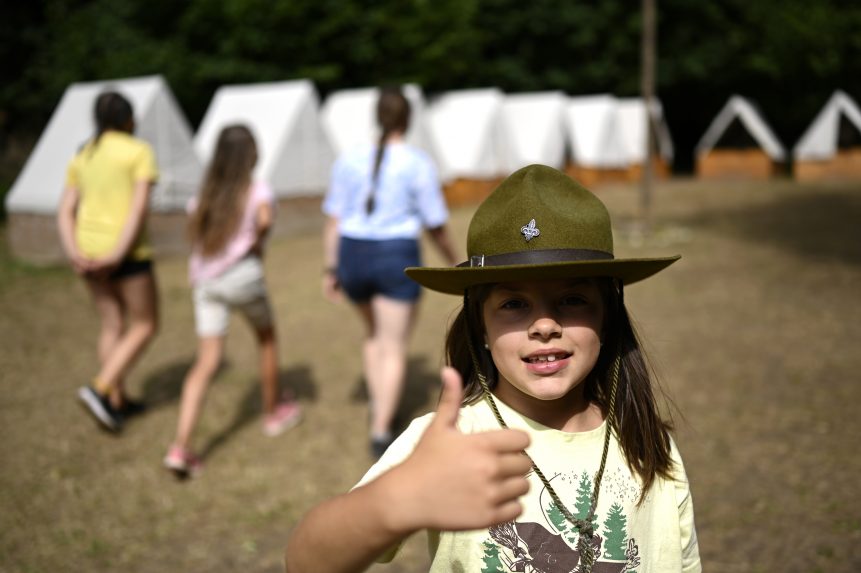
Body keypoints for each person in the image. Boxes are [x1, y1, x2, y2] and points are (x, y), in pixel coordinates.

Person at [286, 164, 701, 572]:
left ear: (607, 315)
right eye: (513, 304)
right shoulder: (449, 442)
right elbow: (306, 562)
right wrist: (399, 499)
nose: (544, 325)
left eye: (572, 300)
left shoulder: (649, 446)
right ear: (479, 326)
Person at [321, 86, 458, 457]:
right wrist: (455, 260)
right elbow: (435, 224)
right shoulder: (417, 162)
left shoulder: (348, 159)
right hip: (394, 255)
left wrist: (330, 268)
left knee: (373, 336)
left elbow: (334, 220)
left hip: (352, 254)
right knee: (393, 346)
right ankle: (381, 430)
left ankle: (378, 405)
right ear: (407, 119)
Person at [163, 124, 301, 477]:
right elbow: (265, 222)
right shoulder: (258, 190)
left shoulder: (204, 195)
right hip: (243, 276)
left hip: (206, 283)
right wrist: (256, 241)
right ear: (251, 154)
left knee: (206, 362)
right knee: (266, 339)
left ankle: (180, 447)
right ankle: (272, 414)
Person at [58, 90, 160, 433]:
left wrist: (73, 251)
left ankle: (116, 400)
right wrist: (118, 253)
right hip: (125, 252)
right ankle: (101, 389)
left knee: (112, 323)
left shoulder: (84, 154)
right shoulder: (139, 152)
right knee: (145, 324)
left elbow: (65, 211)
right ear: (129, 119)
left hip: (86, 251)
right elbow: (138, 208)